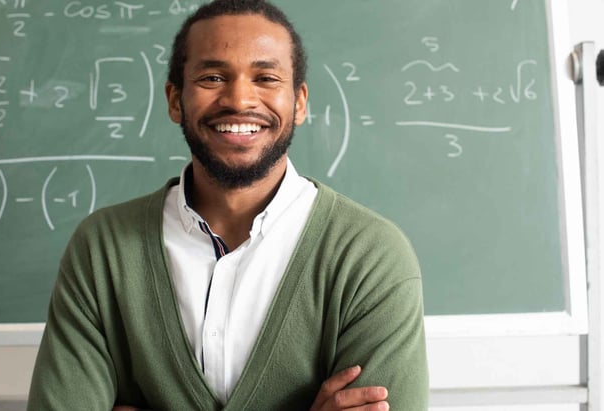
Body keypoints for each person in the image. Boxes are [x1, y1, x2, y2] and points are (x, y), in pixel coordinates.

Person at [27, 0, 429, 409]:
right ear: (174, 100)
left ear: (300, 102)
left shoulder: (370, 254)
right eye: (213, 77)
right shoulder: (102, 248)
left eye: (266, 77)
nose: (239, 100)